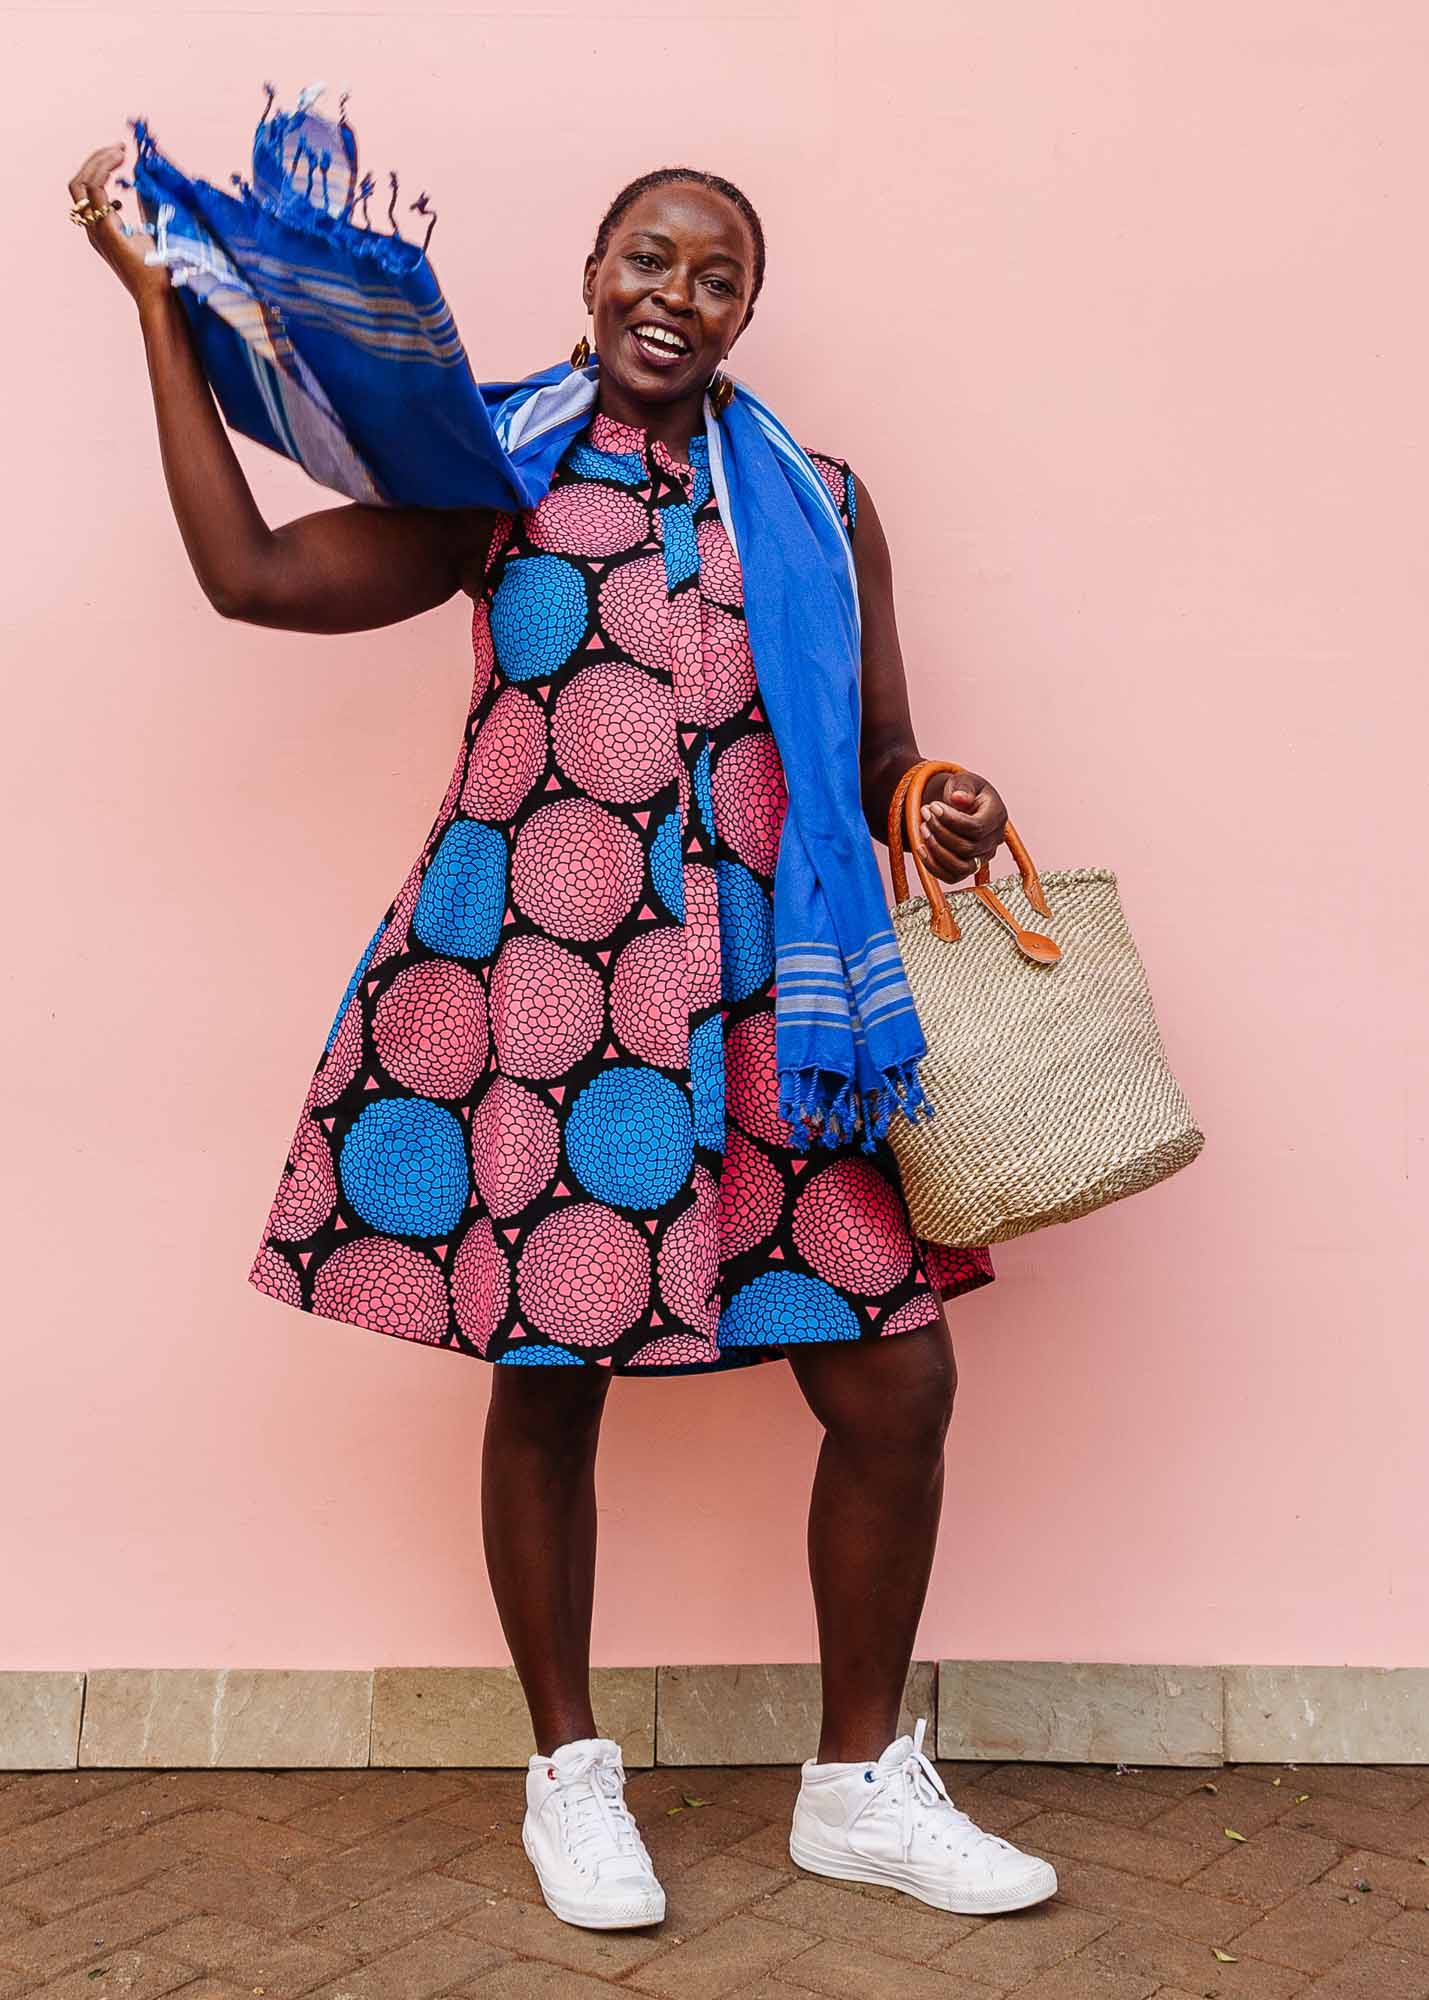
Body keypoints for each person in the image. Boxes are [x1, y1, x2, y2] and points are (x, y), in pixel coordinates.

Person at [69, 137, 1058, 1926]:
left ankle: (854, 1788)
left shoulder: (818, 499)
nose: (673, 297)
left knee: (896, 1380)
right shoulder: (494, 475)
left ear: (749, 309)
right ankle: (569, 1773)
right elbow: (254, 578)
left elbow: (874, 753)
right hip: (544, 990)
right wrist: (160, 309)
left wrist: (936, 798)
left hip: (777, 1009)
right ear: (589, 276)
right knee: (549, 1376)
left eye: (714, 277)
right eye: (645, 261)